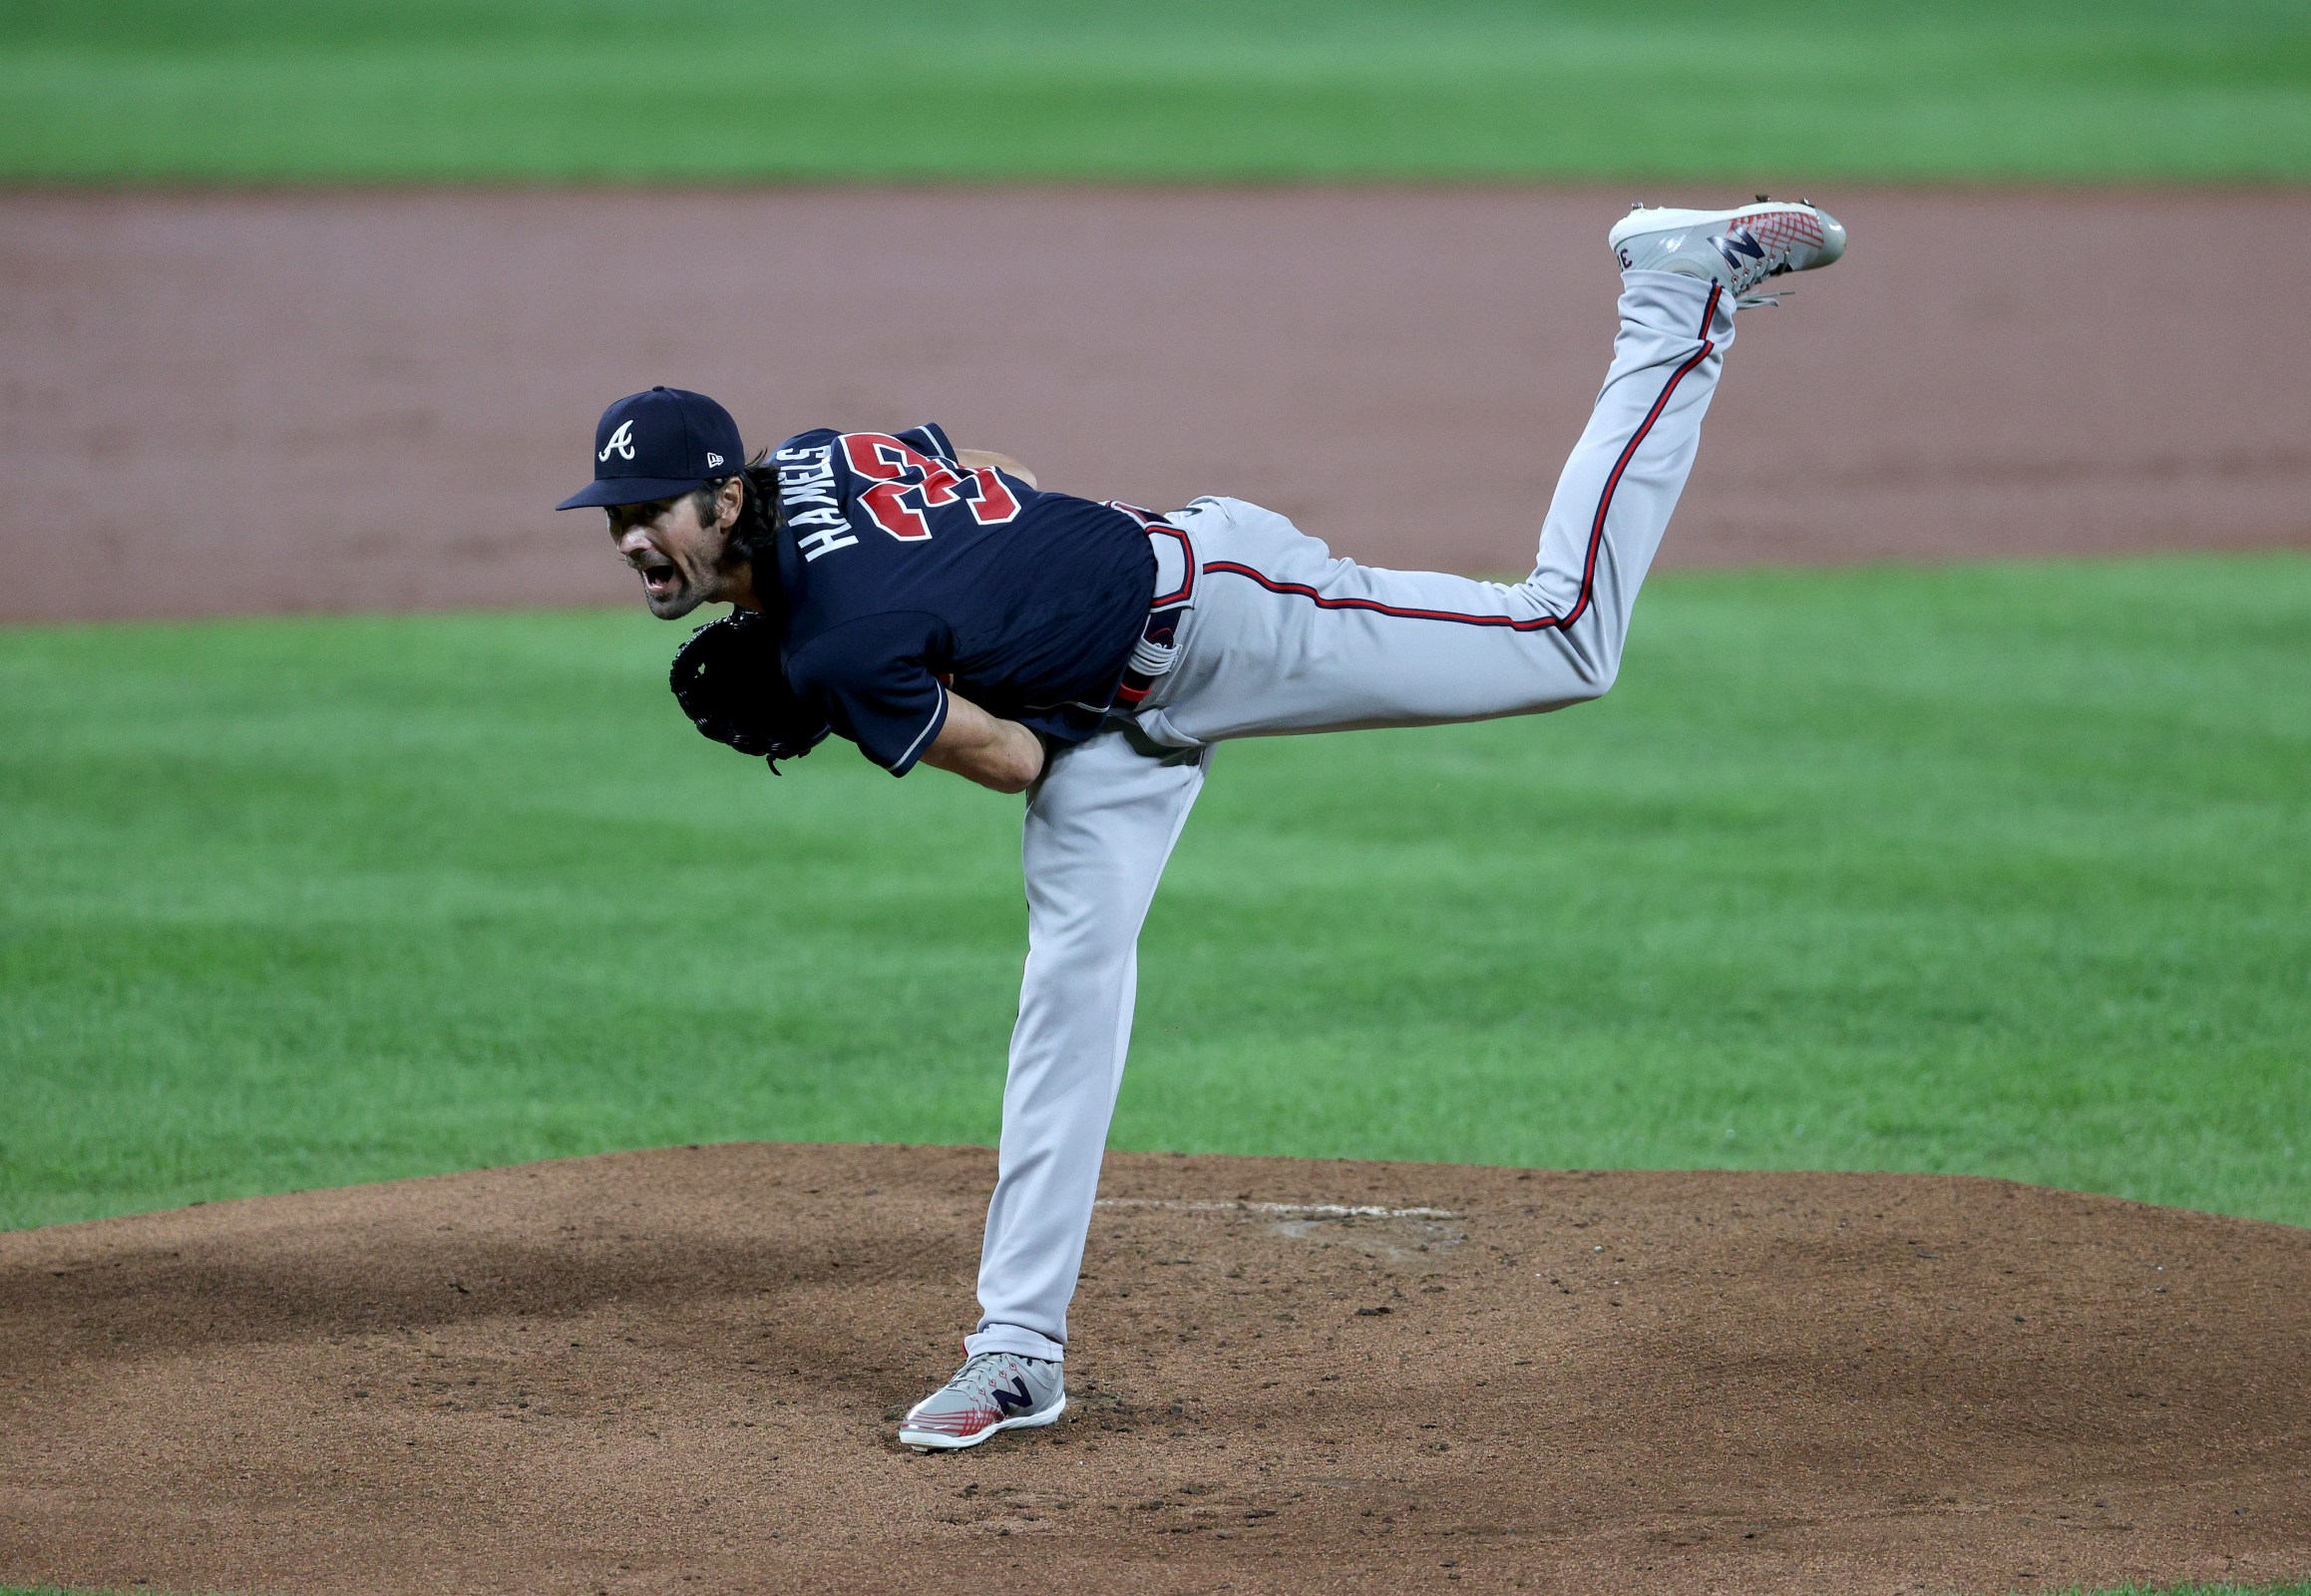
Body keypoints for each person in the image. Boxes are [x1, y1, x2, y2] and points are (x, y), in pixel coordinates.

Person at [557, 200, 1847, 1451]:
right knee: (1067, 993)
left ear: (725, 500)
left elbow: (1005, 761)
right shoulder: (817, 456)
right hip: (1104, 722)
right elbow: (1002, 477)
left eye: (652, 510)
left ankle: (1672, 296)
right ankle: (1017, 1350)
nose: (629, 540)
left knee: (1565, 638)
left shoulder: (839, 645)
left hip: (1223, 614)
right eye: (615, 519)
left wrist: (840, 695)